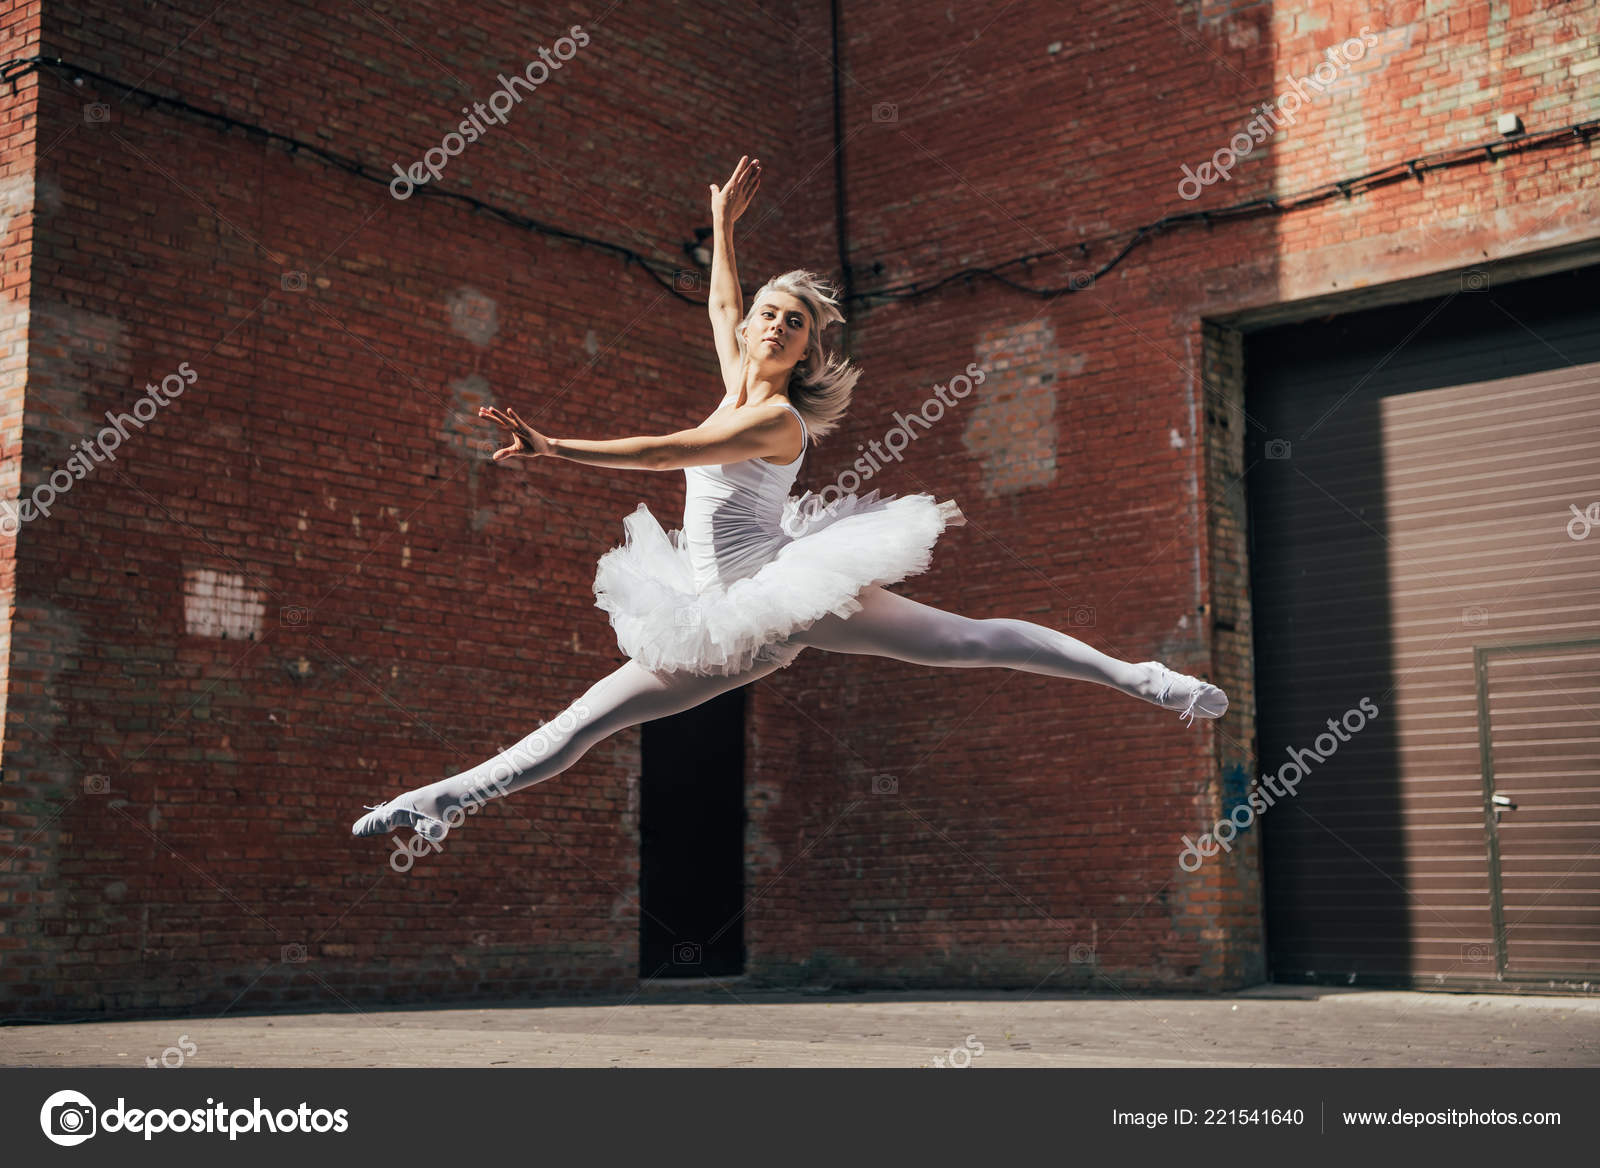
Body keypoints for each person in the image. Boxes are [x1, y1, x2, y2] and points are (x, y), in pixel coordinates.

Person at [353, 155, 1225, 843]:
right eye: (769, 314)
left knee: (966, 639)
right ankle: (439, 801)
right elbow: (721, 297)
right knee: (581, 724)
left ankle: (1148, 681)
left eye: (794, 322)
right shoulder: (737, 373)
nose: (774, 324)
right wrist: (725, 228)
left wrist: (555, 446)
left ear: (808, 350)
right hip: (707, 614)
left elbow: (670, 451)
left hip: (780, 589)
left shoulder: (772, 418)